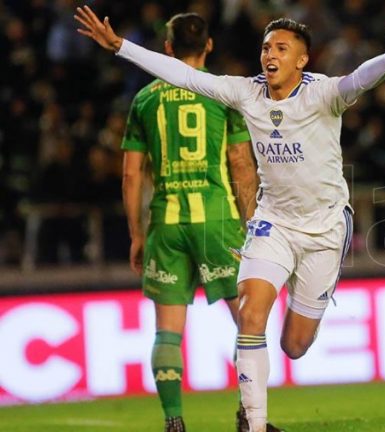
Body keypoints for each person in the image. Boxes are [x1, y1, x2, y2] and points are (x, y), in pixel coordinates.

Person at [75, 6, 385, 432]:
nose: (270, 55)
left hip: (324, 229)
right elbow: (184, 75)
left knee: (295, 345)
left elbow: (359, 78)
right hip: (272, 223)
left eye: (281, 48)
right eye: (266, 48)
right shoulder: (247, 92)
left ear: (302, 60)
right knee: (249, 314)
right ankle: (254, 425)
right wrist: (120, 47)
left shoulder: (323, 94)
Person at [118, 13, 258, 432]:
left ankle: (174, 420)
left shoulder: (145, 100)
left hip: (167, 223)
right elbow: (240, 162)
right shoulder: (223, 94)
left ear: (167, 47)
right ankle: (248, 412)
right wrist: (253, 222)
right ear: (208, 46)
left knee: (167, 331)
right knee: (248, 321)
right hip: (218, 221)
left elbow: (131, 175)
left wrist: (136, 234)